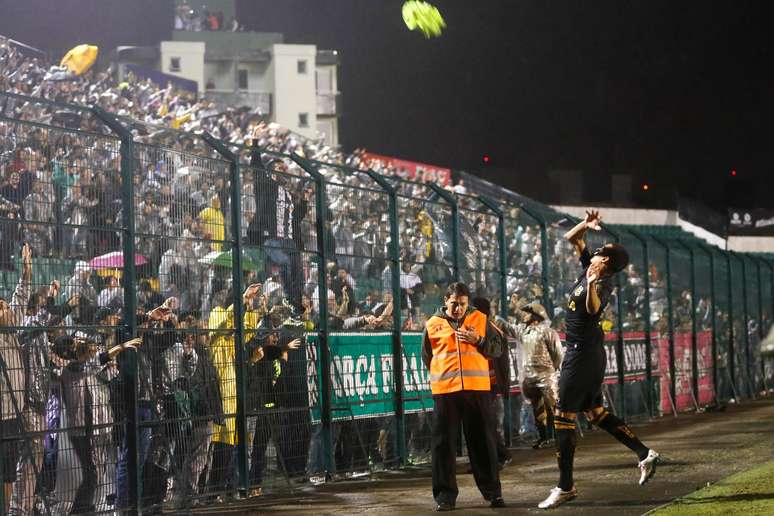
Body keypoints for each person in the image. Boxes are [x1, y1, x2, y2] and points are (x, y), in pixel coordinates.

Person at [538, 210, 660, 509]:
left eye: (599, 253)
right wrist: (585, 224)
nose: (593, 253)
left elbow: (593, 311)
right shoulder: (589, 268)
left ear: (604, 262)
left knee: (563, 417)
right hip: (587, 354)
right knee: (594, 413)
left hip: (581, 356)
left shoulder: (602, 283)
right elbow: (571, 237)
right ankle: (644, 454)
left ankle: (565, 486)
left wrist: (592, 284)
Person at [421, 282, 505, 511]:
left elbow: (498, 348)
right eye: (454, 304)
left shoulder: (479, 319)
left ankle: (493, 493)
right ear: (445, 301)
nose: (458, 308)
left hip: (476, 390)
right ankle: (445, 497)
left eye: (462, 304)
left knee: (482, 442)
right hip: (445, 391)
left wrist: (478, 340)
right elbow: (427, 356)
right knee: (443, 445)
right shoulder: (432, 324)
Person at [514, 301, 562, 450]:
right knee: (538, 408)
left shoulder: (548, 332)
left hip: (546, 375)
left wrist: (550, 370)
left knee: (553, 407)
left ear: (536, 316)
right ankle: (544, 437)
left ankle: (560, 438)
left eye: (528, 312)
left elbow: (557, 354)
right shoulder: (525, 332)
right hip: (531, 377)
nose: (524, 315)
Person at [470, 296, 512, 468]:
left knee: (485, 421)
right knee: (480, 421)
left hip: (489, 383)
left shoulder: (491, 328)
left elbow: (497, 356)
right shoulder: (477, 326)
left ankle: (498, 456)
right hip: (477, 382)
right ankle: (494, 457)